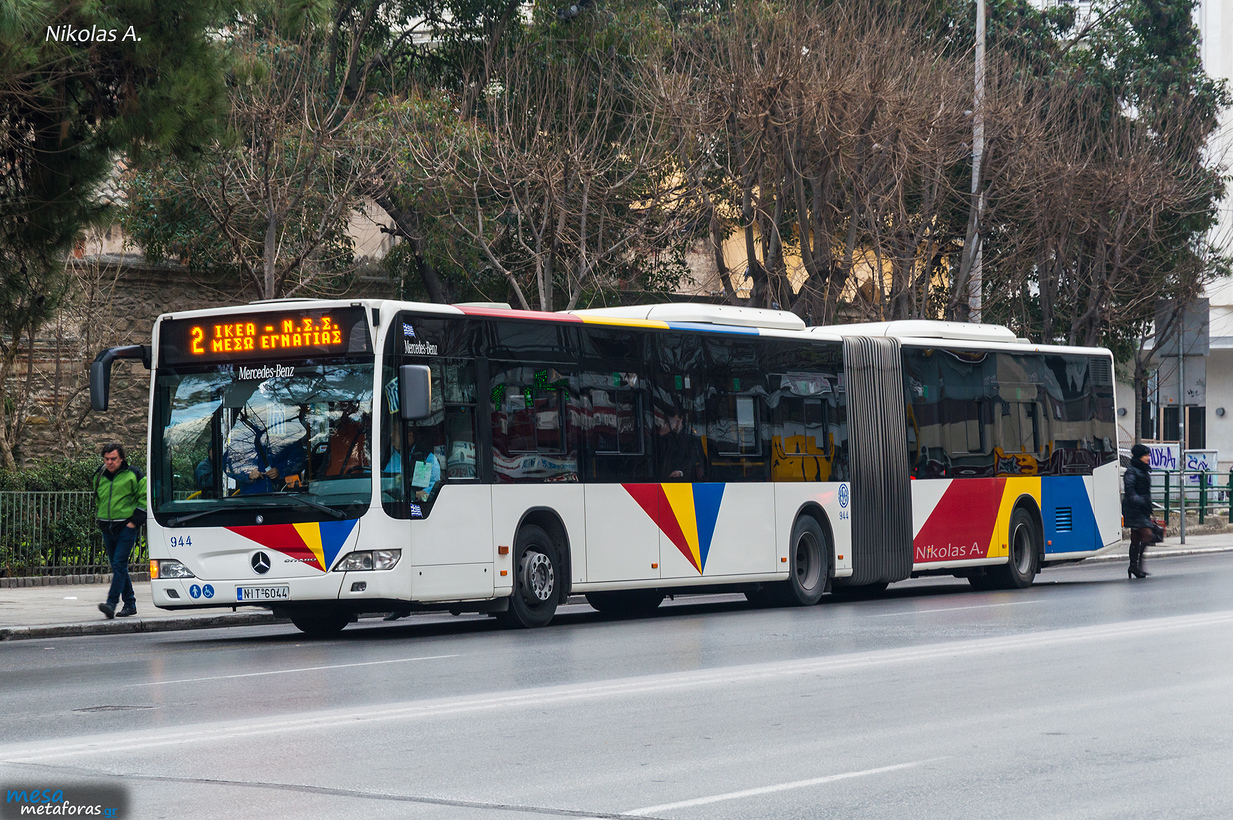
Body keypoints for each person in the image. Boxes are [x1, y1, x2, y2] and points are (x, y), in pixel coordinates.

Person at [94, 442, 146, 619]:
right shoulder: (100, 474)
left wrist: (134, 522)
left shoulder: (134, 474)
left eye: (113, 459)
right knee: (119, 567)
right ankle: (130, 603)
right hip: (107, 527)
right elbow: (98, 497)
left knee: (118, 565)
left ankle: (111, 603)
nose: (110, 462)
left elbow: (144, 497)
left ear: (121, 458)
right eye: (107, 459)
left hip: (126, 526)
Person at [384, 422, 440, 502]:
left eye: (395, 431)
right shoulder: (385, 456)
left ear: (409, 436)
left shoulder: (427, 459)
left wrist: (416, 495)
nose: (391, 435)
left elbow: (432, 492)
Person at [1123, 442, 1153, 579]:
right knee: (1147, 535)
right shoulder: (1132, 470)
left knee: (1136, 538)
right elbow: (1130, 490)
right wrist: (1141, 502)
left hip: (1141, 508)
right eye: (1146, 455)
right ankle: (1137, 565)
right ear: (1139, 456)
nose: (1148, 458)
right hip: (1135, 508)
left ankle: (1133, 566)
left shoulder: (1143, 469)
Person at [657, 405, 704, 481]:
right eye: (670, 422)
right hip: (666, 480)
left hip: (686, 482)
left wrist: (680, 472)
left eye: (674, 421)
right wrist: (661, 436)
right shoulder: (665, 437)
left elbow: (694, 461)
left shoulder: (691, 438)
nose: (672, 425)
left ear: (681, 419)